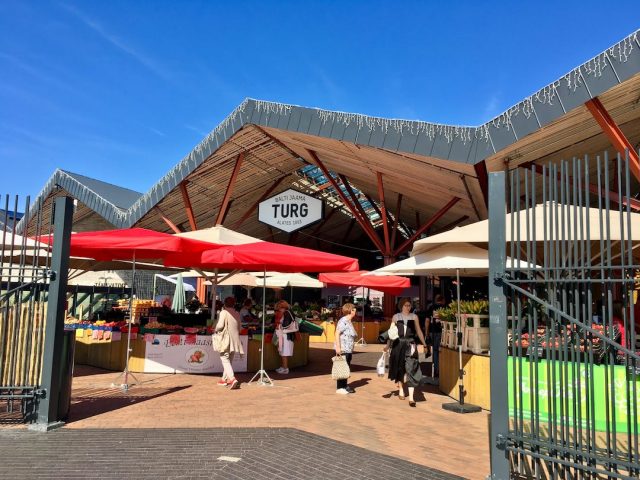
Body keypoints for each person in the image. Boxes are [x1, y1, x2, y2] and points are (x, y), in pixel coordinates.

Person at [386, 297, 428, 407]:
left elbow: (418, 330)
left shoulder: (414, 317)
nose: (408, 307)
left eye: (409, 305)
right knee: (399, 368)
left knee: (411, 368)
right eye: (406, 305)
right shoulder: (396, 317)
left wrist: (424, 343)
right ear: (401, 306)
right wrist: (387, 346)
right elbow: (391, 333)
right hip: (398, 344)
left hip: (411, 344)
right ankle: (400, 389)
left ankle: (411, 398)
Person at [215, 296, 244, 389]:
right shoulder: (237, 313)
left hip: (226, 340)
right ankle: (224, 379)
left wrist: (215, 329)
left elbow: (220, 326)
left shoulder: (224, 312)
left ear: (225, 303)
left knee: (224, 358)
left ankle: (232, 379)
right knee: (229, 359)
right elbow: (240, 328)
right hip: (235, 339)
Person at [335, 303, 358, 394]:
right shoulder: (343, 321)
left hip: (348, 349)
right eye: (354, 309)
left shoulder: (349, 321)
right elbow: (337, 333)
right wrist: (338, 347)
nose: (355, 311)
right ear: (350, 310)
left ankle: (344, 386)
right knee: (342, 367)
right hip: (343, 348)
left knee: (346, 367)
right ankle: (340, 387)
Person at [274, 300, 295, 374]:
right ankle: (283, 367)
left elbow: (286, 325)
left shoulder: (287, 313)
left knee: (284, 353)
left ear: (282, 307)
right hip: (286, 335)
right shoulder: (288, 312)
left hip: (286, 336)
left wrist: (279, 325)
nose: (279, 310)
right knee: (283, 352)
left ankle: (285, 369)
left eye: (279, 309)